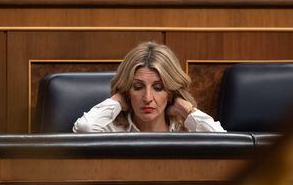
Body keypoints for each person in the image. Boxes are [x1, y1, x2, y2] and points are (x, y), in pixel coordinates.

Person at [73, 41, 225, 133]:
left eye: (158, 88)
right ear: (127, 90)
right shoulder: (112, 130)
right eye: (138, 87)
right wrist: (118, 100)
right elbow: (84, 129)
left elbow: (223, 142)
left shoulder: (185, 130)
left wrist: (186, 108)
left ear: (171, 93)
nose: (147, 98)